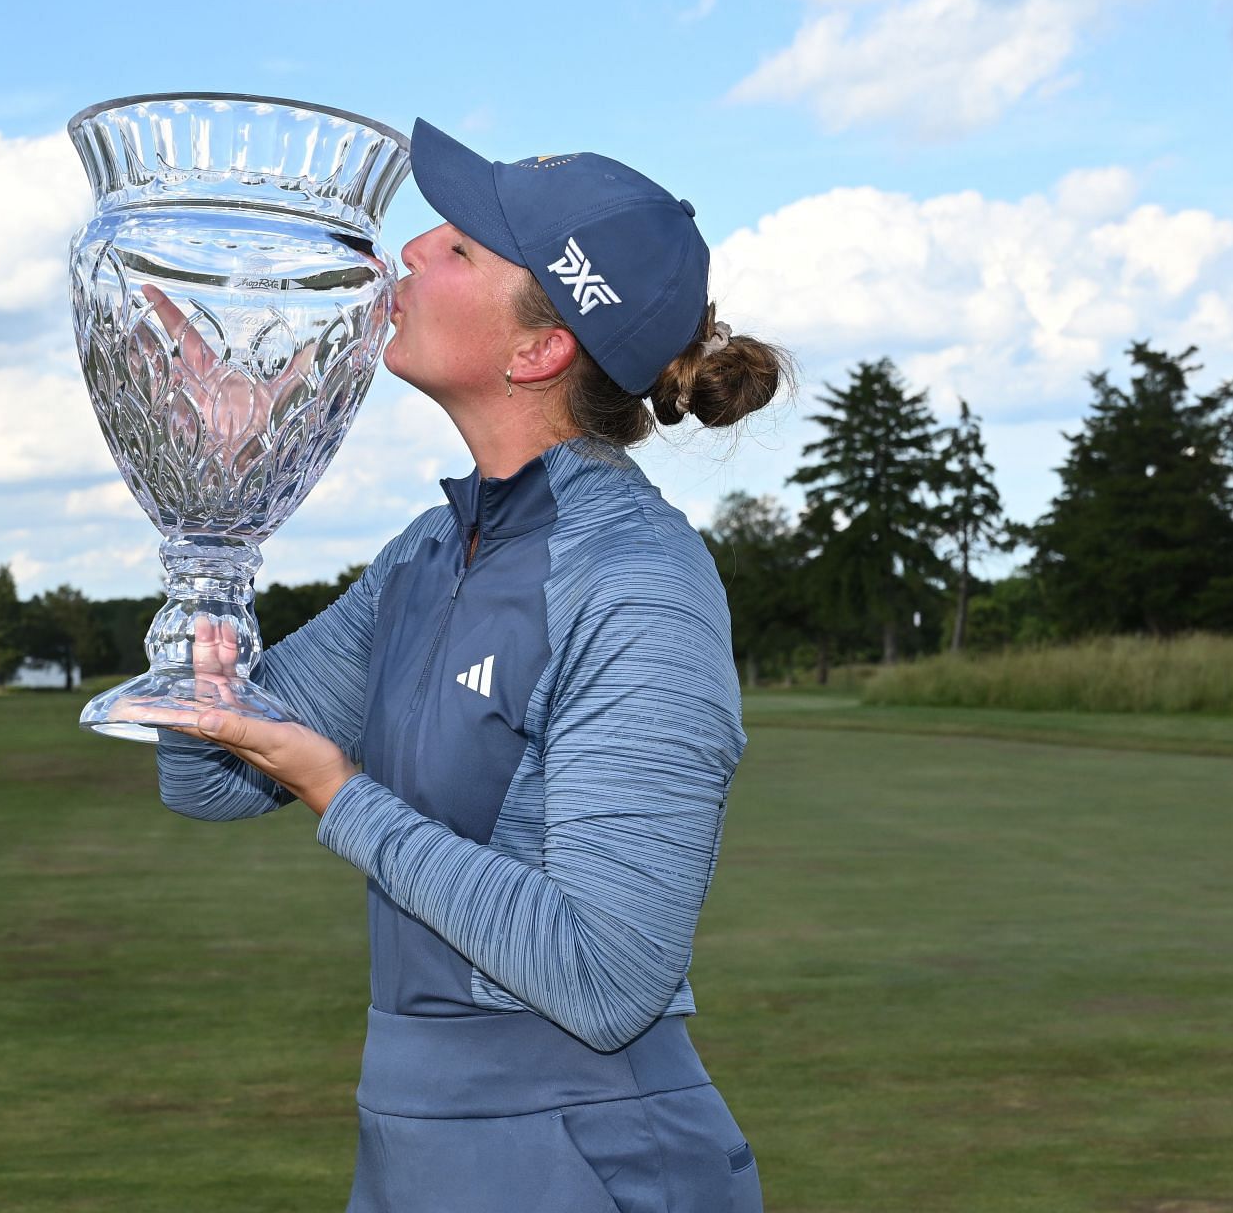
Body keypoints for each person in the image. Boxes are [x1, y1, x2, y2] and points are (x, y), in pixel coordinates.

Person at [153, 118, 789, 1213]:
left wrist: (337, 791)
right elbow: (204, 774)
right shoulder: (431, 550)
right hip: (416, 1150)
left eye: (458, 247)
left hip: (588, 1158)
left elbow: (606, 974)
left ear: (537, 348)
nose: (408, 251)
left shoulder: (638, 580)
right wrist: (220, 498)